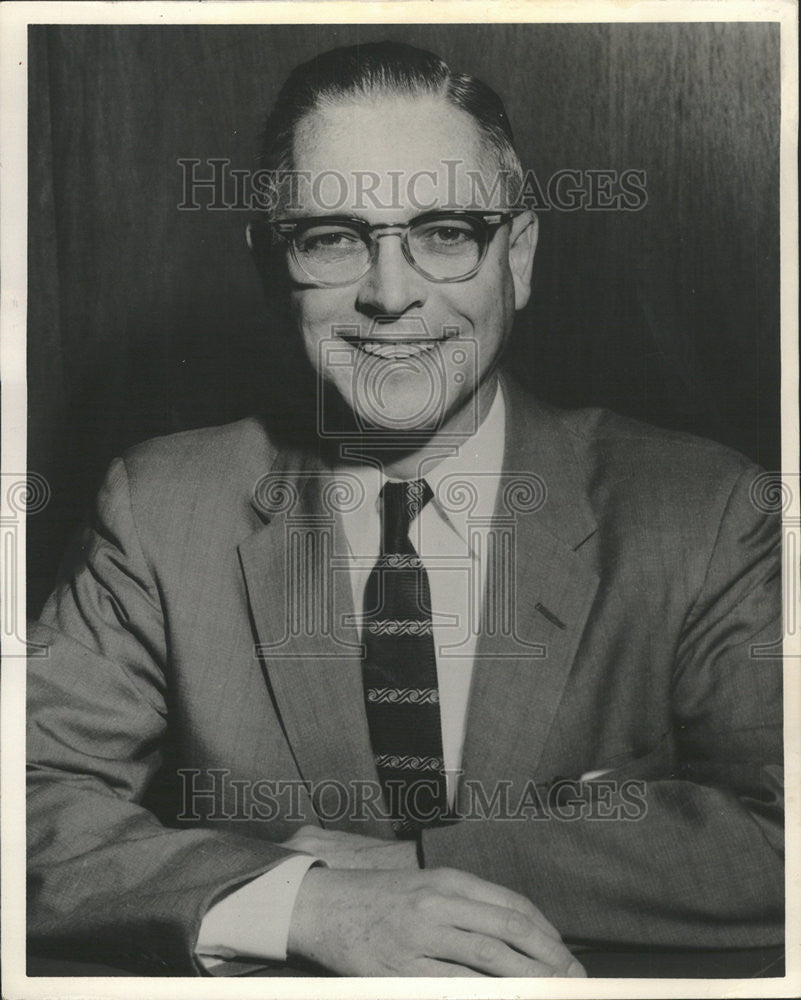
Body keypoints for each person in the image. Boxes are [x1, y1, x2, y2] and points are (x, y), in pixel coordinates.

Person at [27, 41, 783, 978]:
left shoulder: (704, 511)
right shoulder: (162, 507)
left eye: (444, 231)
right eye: (332, 238)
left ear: (518, 255)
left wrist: (419, 868)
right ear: (274, 267)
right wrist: (307, 904)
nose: (390, 295)